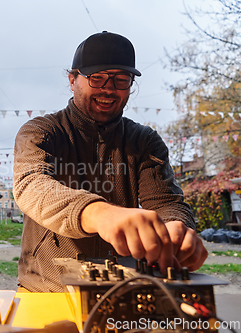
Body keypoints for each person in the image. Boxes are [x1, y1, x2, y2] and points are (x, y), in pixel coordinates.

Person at [13, 31, 208, 292]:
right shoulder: (41, 132)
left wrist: (176, 229)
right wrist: (99, 213)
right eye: (97, 78)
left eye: (120, 80)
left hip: (119, 291)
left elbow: (167, 203)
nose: (108, 89)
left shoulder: (145, 141)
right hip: (44, 288)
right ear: (73, 80)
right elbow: (31, 185)